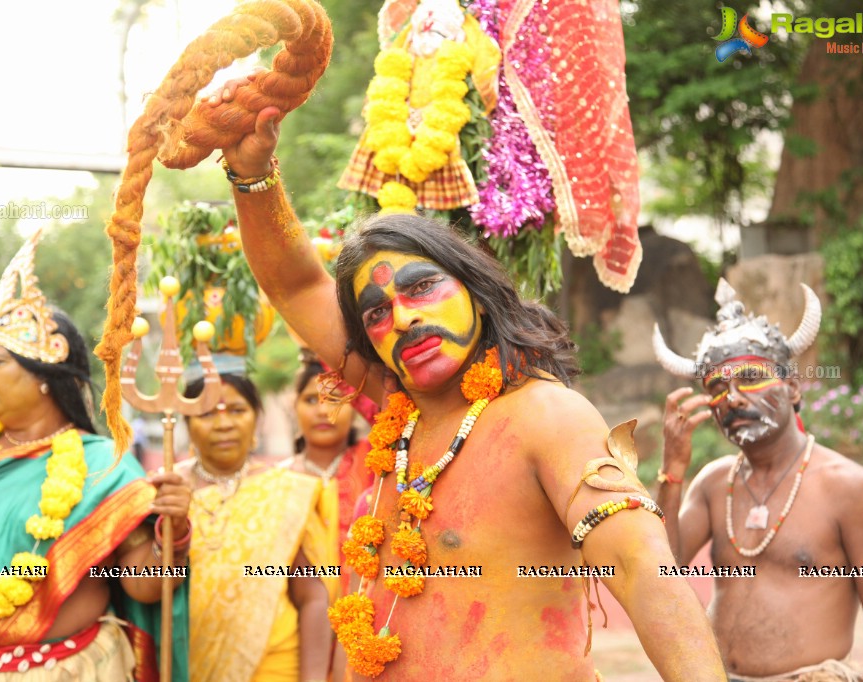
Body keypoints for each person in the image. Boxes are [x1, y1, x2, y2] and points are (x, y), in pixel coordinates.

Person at [208, 88, 726, 680]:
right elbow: (298, 285)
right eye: (376, 312)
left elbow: (641, 568)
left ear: (477, 294)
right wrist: (251, 174)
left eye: (422, 287)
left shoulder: (547, 417)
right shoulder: (395, 410)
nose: (401, 317)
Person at [0, 229, 190, 680]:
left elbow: (144, 587)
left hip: (64, 671)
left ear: (42, 374)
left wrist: (176, 533)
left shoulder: (102, 467)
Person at [652, 279, 863, 682]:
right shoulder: (713, 483)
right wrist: (672, 473)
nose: (735, 398)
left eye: (751, 379)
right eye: (717, 388)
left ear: (793, 387)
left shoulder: (847, 487)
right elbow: (663, 578)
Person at [179, 371, 333, 682]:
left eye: (237, 410)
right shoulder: (166, 492)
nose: (224, 424)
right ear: (186, 424)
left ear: (257, 420)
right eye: (207, 413)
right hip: (188, 665)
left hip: (273, 665)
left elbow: (313, 596)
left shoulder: (286, 491)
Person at [281, 360, 374, 558]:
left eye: (335, 399)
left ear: (355, 407)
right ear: (294, 406)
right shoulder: (277, 481)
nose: (323, 411)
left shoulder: (378, 463)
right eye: (311, 400)